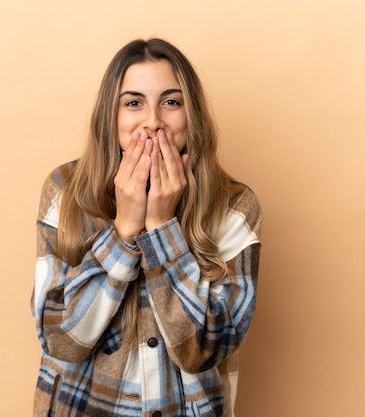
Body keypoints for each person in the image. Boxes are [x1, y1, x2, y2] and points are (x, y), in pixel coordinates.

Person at [31, 38, 262, 417]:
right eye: (133, 103)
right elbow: (61, 342)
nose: (153, 121)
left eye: (171, 102)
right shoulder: (65, 190)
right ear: (112, 115)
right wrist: (124, 227)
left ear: (192, 115)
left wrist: (160, 227)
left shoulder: (236, 206)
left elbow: (203, 350)